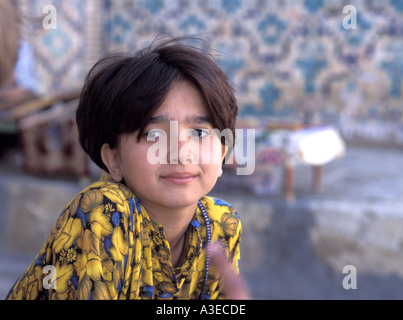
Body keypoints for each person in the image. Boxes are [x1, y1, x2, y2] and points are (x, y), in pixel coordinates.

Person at [6, 36, 249, 300]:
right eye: (154, 135)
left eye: (200, 133)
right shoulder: (105, 212)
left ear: (222, 153)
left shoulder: (222, 225)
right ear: (114, 160)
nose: (182, 153)